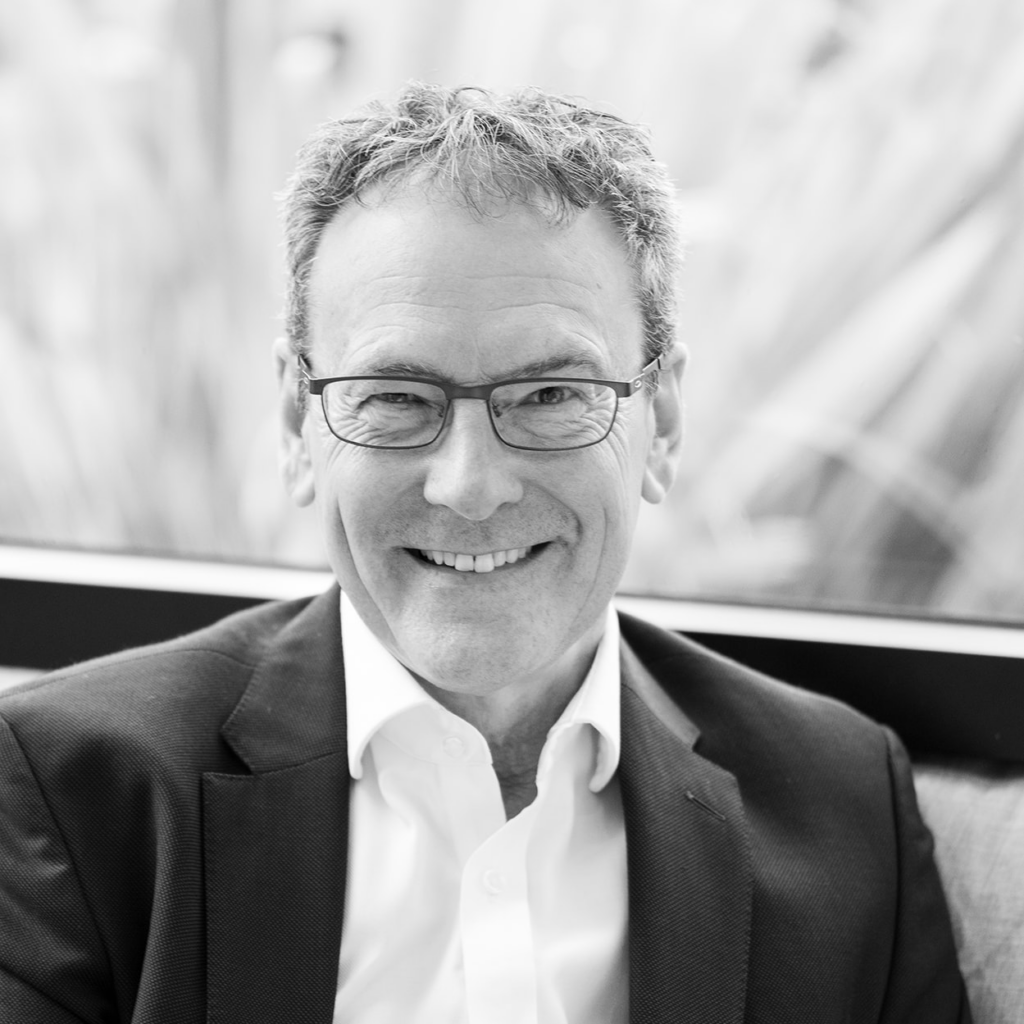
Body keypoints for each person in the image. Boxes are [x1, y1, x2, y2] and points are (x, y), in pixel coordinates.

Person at [0, 83, 969, 1024]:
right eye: (395, 398)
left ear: (662, 422)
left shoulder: (847, 808)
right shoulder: (71, 790)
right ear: (299, 424)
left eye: (551, 396)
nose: (469, 485)